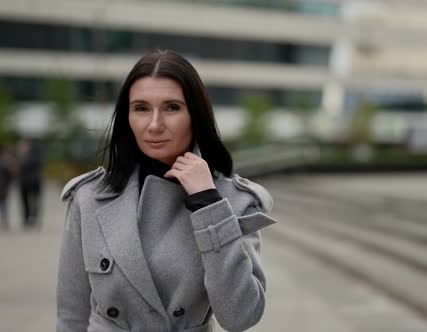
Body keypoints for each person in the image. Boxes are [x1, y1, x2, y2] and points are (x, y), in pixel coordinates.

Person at [56, 50, 277, 332]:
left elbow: (241, 316)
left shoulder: (233, 201)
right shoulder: (88, 199)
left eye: (172, 107)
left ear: (195, 115)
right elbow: (70, 317)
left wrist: (208, 204)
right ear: (127, 117)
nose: (154, 124)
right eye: (141, 108)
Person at [18, 137, 42, 229]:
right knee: (26, 202)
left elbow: (24, 166)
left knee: (33, 201)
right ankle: (27, 218)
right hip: (24, 183)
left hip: (32, 182)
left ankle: (32, 218)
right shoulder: (23, 155)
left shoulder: (32, 154)